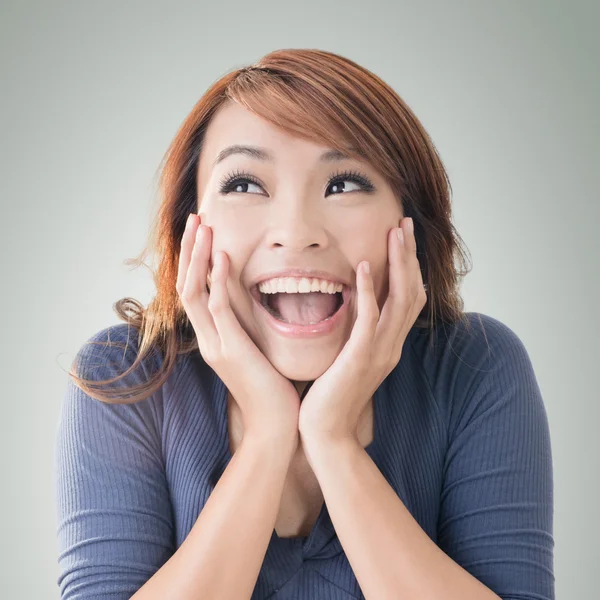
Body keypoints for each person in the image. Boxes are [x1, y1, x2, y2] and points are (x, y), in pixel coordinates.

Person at [54, 48, 555, 599]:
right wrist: (269, 434)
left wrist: (332, 439)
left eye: (343, 184)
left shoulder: (475, 366)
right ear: (190, 227)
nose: (295, 233)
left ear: (408, 224)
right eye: (245, 184)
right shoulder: (125, 376)